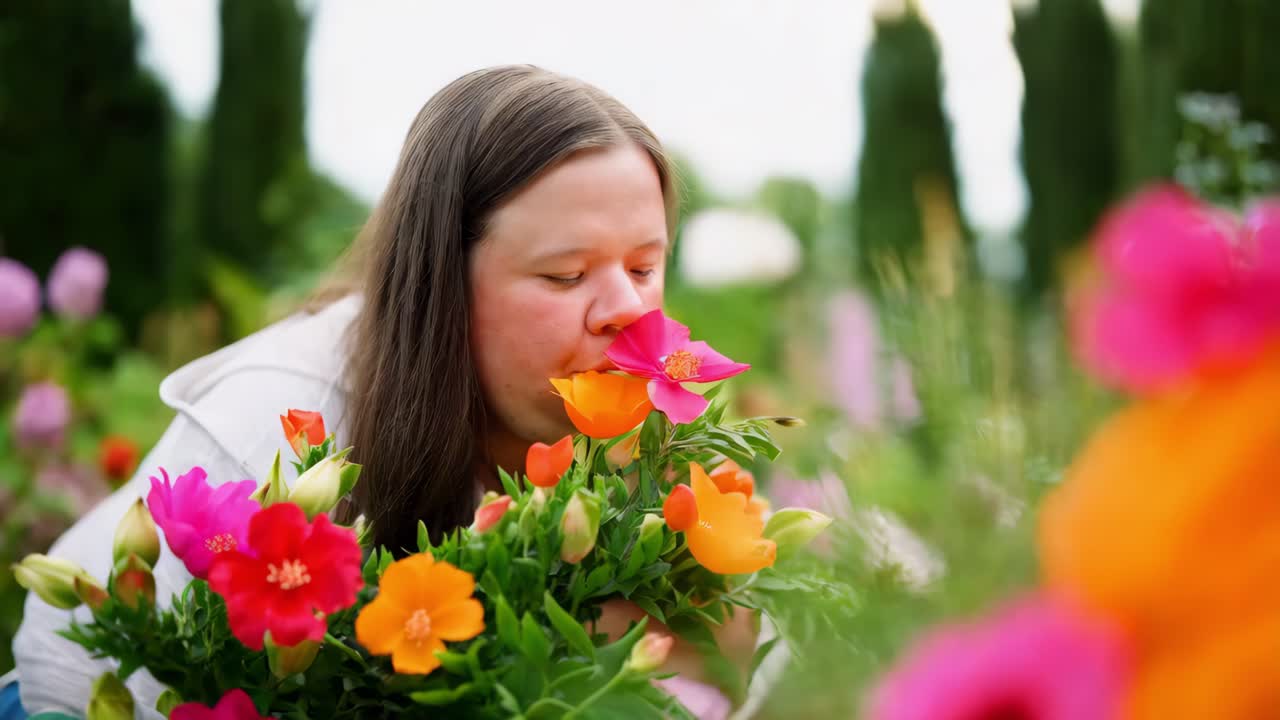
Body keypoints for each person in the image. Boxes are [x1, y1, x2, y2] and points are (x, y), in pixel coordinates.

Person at [12, 65, 767, 718]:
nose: (628, 310)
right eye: (566, 275)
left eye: (643, 267)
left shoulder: (647, 448)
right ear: (441, 284)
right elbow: (66, 669)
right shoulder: (282, 420)